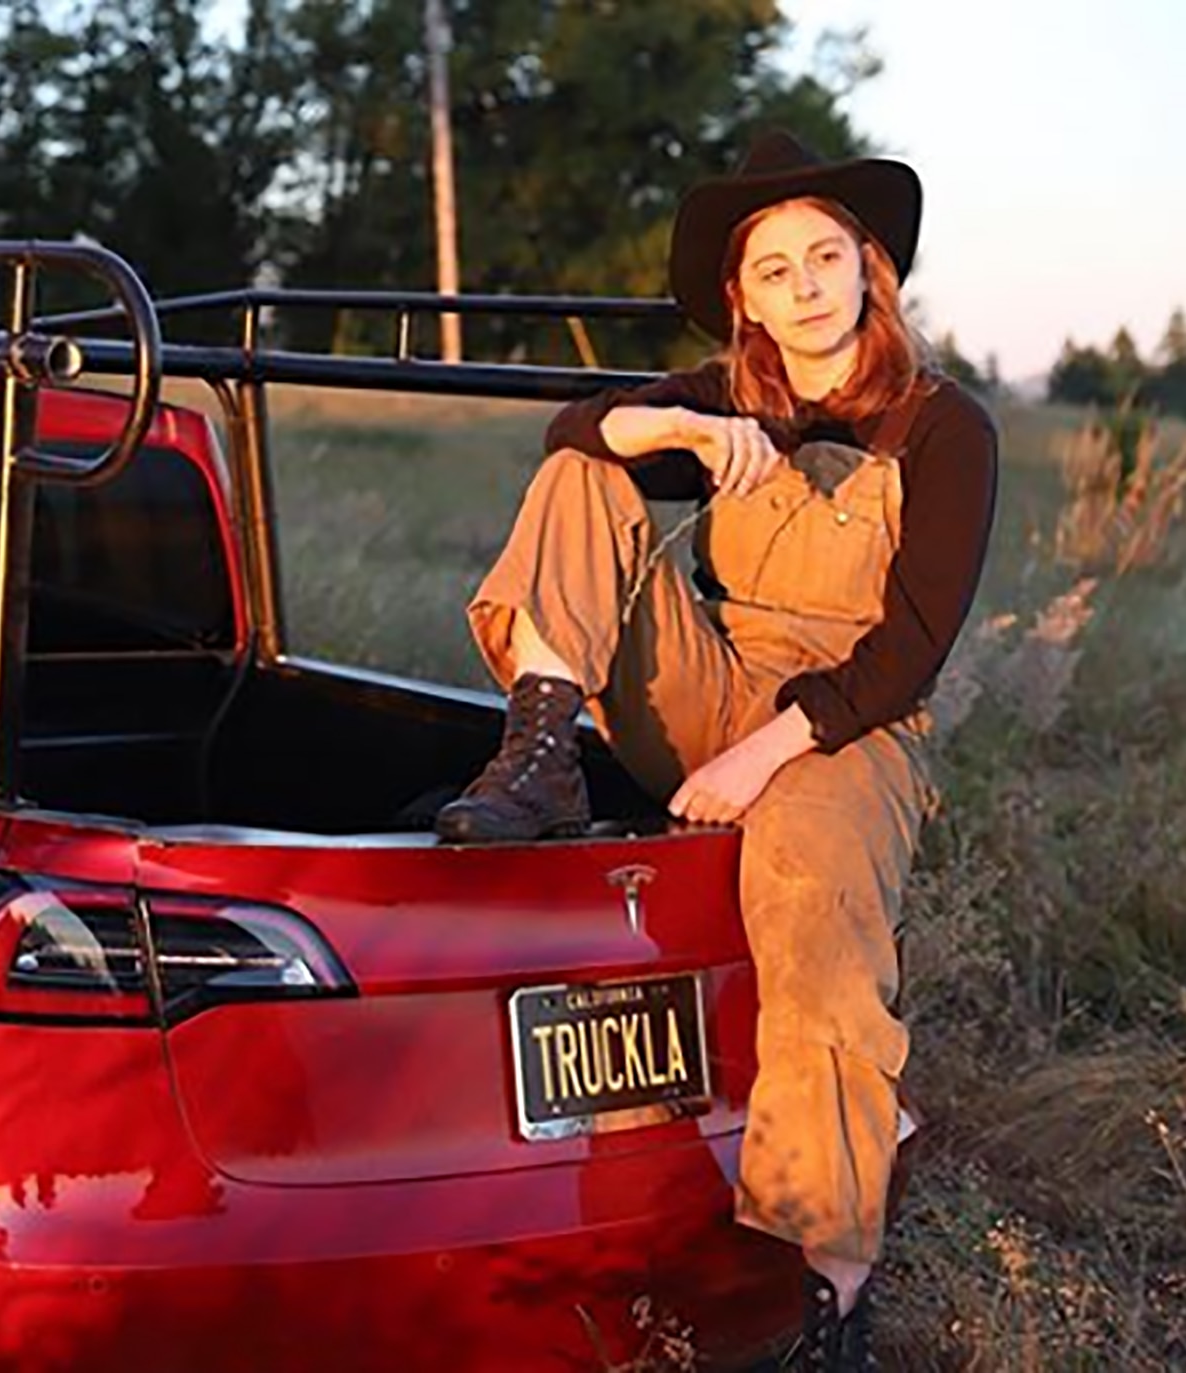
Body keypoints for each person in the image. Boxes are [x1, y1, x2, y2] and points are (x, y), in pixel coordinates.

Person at [435, 131, 999, 1369]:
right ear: (741, 296)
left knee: (812, 910)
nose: (802, 284)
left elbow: (910, 648)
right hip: (717, 674)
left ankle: (826, 1285)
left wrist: (761, 759)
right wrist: (670, 435)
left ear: (868, 271)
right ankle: (540, 748)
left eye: (824, 256)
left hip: (850, 723)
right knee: (586, 477)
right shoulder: (721, 388)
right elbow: (569, 433)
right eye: (771, 267)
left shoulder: (942, 426)